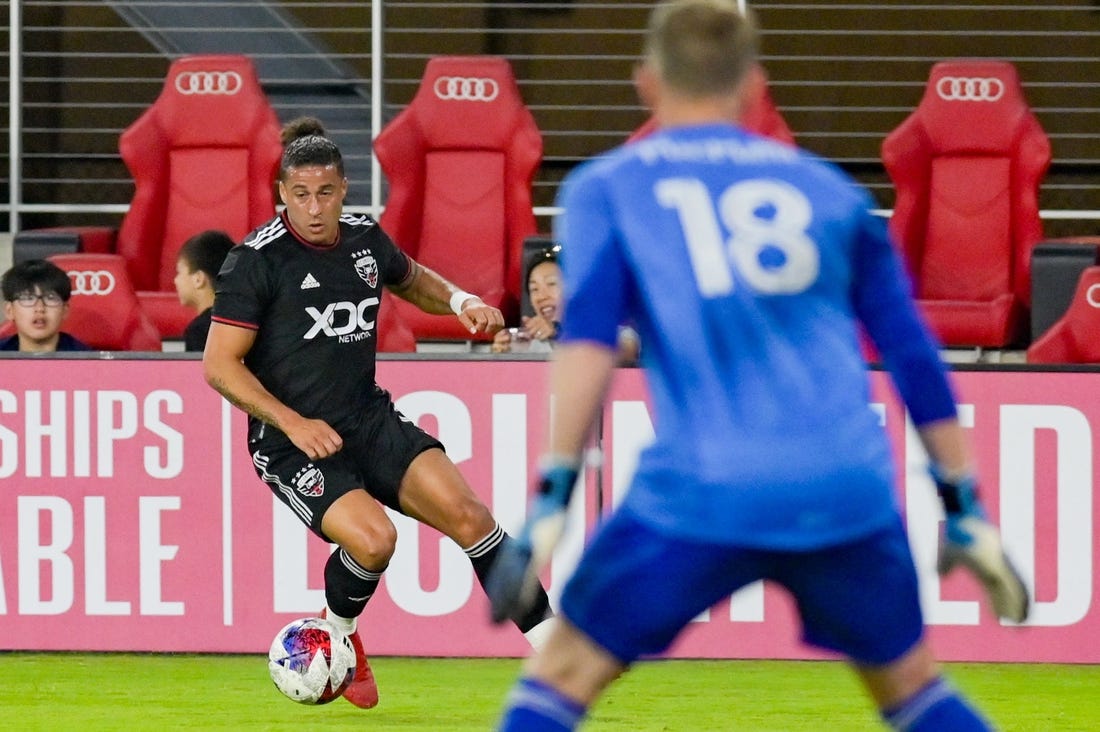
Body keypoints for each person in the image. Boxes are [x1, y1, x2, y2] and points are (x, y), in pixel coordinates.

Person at [487, 2, 1029, 730]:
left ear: (645, 82)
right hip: (844, 489)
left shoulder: (607, 188)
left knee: (560, 676)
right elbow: (912, 354)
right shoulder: (833, 193)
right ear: (752, 85)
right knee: (914, 688)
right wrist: (964, 503)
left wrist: (552, 494)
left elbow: (586, 343)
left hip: (704, 489)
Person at [202, 117, 554, 710]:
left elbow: (409, 280)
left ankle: (555, 648)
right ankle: (340, 635)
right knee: (374, 542)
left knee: (471, 517)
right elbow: (219, 365)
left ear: (344, 189)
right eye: (300, 194)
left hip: (368, 419)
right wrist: (291, 422)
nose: (314, 208)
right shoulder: (254, 262)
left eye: (326, 193)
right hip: (292, 442)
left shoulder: (364, 238)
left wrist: (461, 300)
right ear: (281, 194)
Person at [492, 245, 641, 365]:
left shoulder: (611, 325)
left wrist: (561, 331)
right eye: (534, 289)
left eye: (551, 283)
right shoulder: (531, 342)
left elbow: (628, 348)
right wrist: (503, 356)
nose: (541, 296)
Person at [1, 259, 91, 353]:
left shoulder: (87, 360)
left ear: (65, 310)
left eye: (50, 298)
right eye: (28, 298)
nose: (40, 308)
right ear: (9, 310)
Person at [173, 229, 235, 352]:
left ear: (198, 279)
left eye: (179, 273)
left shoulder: (199, 331)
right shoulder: (251, 320)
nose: (175, 280)